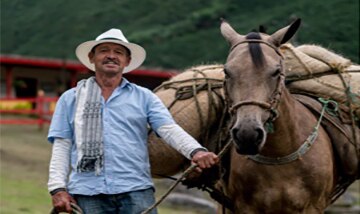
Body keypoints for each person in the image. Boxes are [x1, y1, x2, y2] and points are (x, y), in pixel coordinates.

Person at [47, 28, 219, 214]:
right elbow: (62, 145)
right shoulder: (70, 98)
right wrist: (58, 189)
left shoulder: (145, 97)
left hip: (136, 190)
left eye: (118, 52)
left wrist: (196, 151)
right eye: (104, 50)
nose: (111, 56)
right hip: (87, 192)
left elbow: (168, 129)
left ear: (127, 61)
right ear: (92, 57)